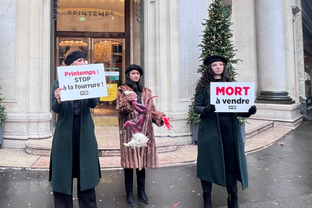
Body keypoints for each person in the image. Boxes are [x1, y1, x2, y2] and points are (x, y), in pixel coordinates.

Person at [194, 55, 257, 208]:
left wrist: (247, 111)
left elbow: (236, 108)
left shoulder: (230, 84)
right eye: (215, 65)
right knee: (208, 165)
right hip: (211, 132)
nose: (218, 67)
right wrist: (206, 109)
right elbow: (196, 107)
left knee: (231, 165)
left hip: (229, 131)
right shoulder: (203, 86)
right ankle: (207, 200)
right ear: (210, 67)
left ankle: (233, 198)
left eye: (220, 65)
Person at [49, 50, 101, 208]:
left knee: (86, 172)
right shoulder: (59, 82)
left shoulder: (89, 78)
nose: (83, 62)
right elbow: (54, 108)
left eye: (83, 60)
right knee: (63, 174)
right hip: (65, 134)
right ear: (70, 64)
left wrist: (92, 90)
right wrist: (58, 100)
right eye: (79, 60)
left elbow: (94, 103)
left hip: (84, 133)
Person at [116, 64, 172, 207]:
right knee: (129, 164)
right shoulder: (122, 90)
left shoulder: (146, 91)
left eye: (138, 73)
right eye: (133, 73)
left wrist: (161, 117)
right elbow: (119, 109)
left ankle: (142, 191)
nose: (136, 76)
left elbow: (151, 110)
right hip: (130, 131)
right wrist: (128, 100)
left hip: (145, 131)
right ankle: (129, 192)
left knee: (142, 163)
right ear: (128, 75)